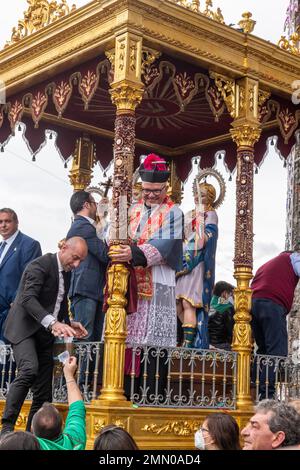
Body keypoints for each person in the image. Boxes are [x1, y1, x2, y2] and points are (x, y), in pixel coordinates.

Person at [110, 154, 184, 397]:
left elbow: (162, 247)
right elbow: (113, 234)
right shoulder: (133, 209)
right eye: (147, 190)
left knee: (154, 342)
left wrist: (130, 252)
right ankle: (125, 392)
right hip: (131, 281)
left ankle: (153, 395)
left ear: (166, 188)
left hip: (158, 280)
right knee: (127, 339)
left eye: (156, 190)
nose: (151, 195)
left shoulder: (175, 212)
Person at [0, 237, 88, 436]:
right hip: (22, 328)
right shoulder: (40, 265)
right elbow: (28, 298)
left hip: (44, 333)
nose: (76, 265)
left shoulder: (66, 272)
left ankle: (33, 436)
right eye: (75, 258)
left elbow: (59, 301)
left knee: (44, 392)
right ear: (64, 247)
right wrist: (54, 323)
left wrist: (68, 322)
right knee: (29, 370)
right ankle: (6, 429)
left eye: (80, 261)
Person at [176, 171, 225, 348]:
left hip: (196, 264)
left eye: (203, 195)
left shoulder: (210, 214)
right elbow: (182, 235)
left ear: (210, 198)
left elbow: (202, 240)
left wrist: (199, 220)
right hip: (183, 261)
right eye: (197, 194)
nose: (198, 198)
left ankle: (188, 344)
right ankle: (188, 338)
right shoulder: (191, 213)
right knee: (179, 305)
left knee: (188, 303)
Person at [251, 250, 300, 398]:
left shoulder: (268, 264)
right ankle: (267, 395)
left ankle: (254, 390)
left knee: (263, 350)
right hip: (272, 304)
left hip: (253, 303)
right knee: (276, 351)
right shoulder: (293, 257)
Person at [67, 191, 109, 343]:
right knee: (85, 337)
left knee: (95, 341)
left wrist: (103, 217)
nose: (97, 206)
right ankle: (79, 368)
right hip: (85, 289)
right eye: (94, 203)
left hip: (94, 289)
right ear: (86, 204)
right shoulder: (82, 226)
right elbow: (104, 254)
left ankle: (91, 368)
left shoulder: (87, 226)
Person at [0, 208, 42, 341]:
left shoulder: (29, 244)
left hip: (13, 312)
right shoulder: (1, 246)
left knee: (8, 356)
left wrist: (17, 304)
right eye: (0, 222)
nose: (3, 225)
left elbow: (30, 278)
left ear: (16, 222)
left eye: (7, 221)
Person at [32, 356, 86, 450]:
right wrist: (69, 375)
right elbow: (77, 408)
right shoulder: (75, 441)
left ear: (32, 429)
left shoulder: (30, 446)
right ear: (62, 427)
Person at [208, 281, 235, 351]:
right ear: (224, 293)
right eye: (230, 294)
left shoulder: (207, 302)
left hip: (206, 343)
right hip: (221, 345)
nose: (230, 297)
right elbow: (231, 331)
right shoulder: (227, 306)